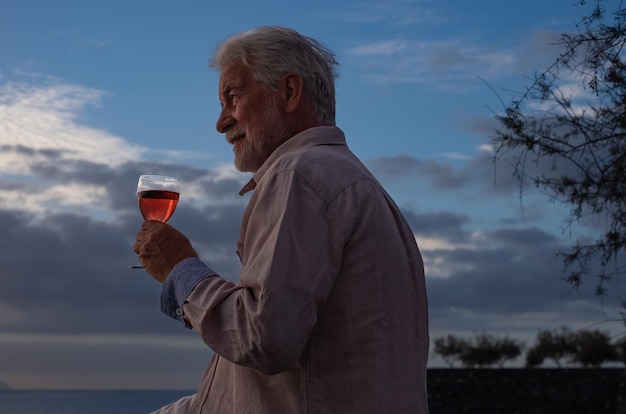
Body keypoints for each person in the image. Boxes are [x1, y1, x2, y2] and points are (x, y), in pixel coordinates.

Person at [134, 26, 429, 414]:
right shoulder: (352, 183)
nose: (221, 122)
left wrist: (181, 269)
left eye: (233, 97)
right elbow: (267, 391)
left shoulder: (299, 176)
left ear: (289, 92)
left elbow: (262, 339)